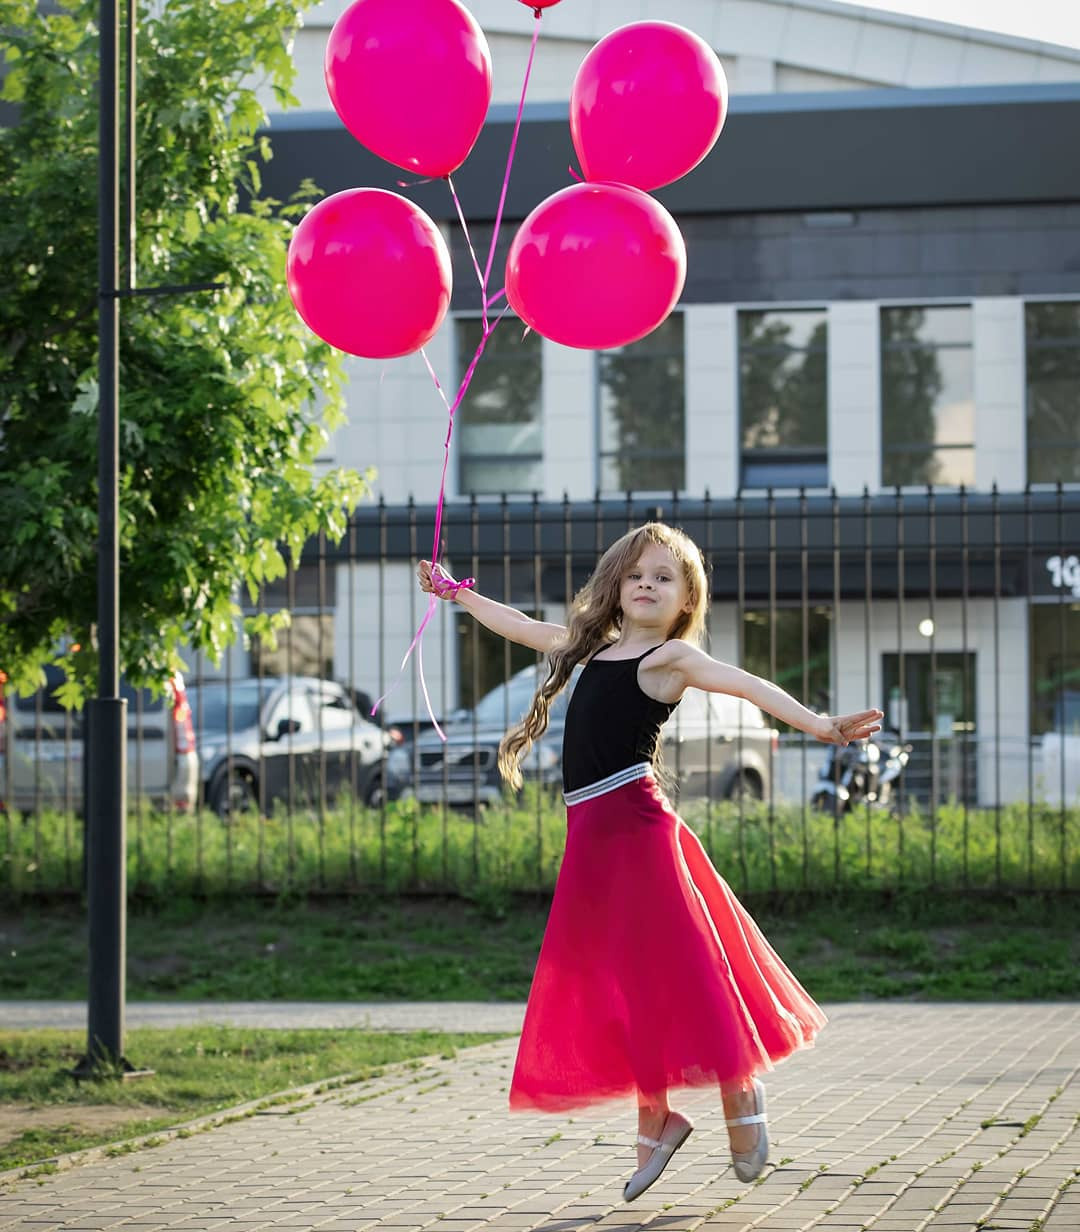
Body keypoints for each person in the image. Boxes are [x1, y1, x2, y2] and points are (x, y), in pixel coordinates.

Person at [417, 522, 882, 1204]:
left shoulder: (671, 660)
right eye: (636, 573)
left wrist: (818, 724)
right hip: (592, 841)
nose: (646, 584)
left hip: (638, 832)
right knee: (625, 983)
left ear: (685, 599)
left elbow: (748, 685)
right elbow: (518, 625)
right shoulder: (590, 645)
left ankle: (739, 1093)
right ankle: (658, 1116)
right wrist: (457, 594)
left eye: (664, 577)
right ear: (615, 583)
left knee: (689, 967)